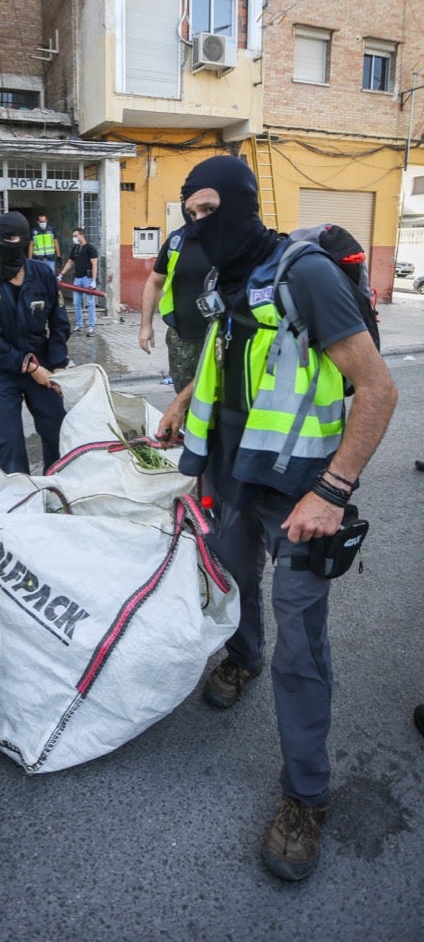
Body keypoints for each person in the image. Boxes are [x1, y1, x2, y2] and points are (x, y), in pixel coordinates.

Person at [156, 155, 398, 882]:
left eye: (207, 210)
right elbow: (225, 346)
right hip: (228, 479)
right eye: (188, 214)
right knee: (232, 593)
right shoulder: (227, 276)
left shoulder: (305, 274)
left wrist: (331, 490)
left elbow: (377, 390)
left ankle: (305, 796)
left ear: (238, 203)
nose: (196, 225)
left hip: (299, 501)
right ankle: (240, 656)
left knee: (302, 648)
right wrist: (181, 400)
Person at [0, 211, 70, 475]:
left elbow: (59, 323)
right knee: (10, 443)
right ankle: (20, 498)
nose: (3, 244)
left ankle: (57, 491)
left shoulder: (43, 275)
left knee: (57, 434)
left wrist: (58, 365)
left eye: (12, 238)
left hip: (45, 367)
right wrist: (29, 367)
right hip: (3, 370)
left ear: (25, 240)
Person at [139, 218, 212, 392]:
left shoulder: (228, 239)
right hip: (182, 338)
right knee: (183, 400)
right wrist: (145, 326)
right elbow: (155, 281)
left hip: (219, 338)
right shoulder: (177, 240)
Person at [59, 227, 99, 336]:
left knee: (90, 303)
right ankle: (79, 325)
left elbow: (94, 264)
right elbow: (70, 262)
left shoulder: (90, 249)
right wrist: (61, 274)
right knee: (76, 303)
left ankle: (91, 327)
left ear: (82, 235)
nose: (74, 238)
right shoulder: (75, 248)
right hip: (77, 278)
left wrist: (94, 281)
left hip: (88, 278)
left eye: (75, 236)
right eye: (73, 236)